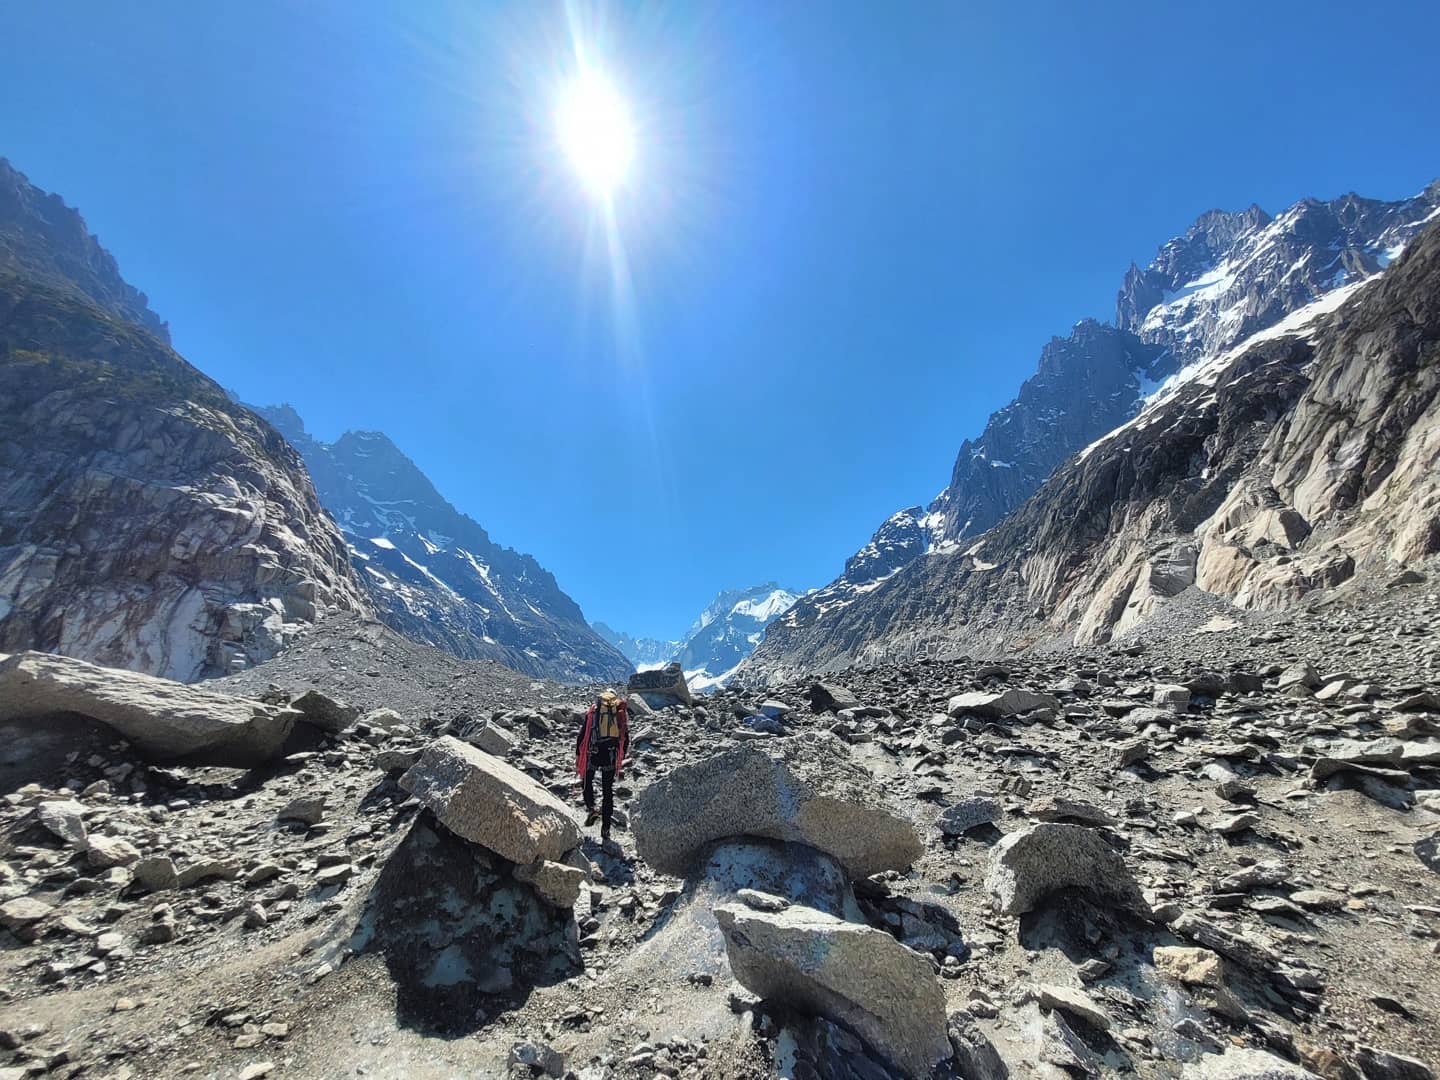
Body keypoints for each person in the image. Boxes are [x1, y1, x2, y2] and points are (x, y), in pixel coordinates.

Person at [575, 688, 629, 842]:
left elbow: (582, 734)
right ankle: (605, 828)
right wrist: (620, 757)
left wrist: (578, 754)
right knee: (607, 791)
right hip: (610, 756)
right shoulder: (619, 713)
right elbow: (625, 738)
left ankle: (591, 808)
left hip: (593, 753)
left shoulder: (593, 712)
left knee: (586, 780)